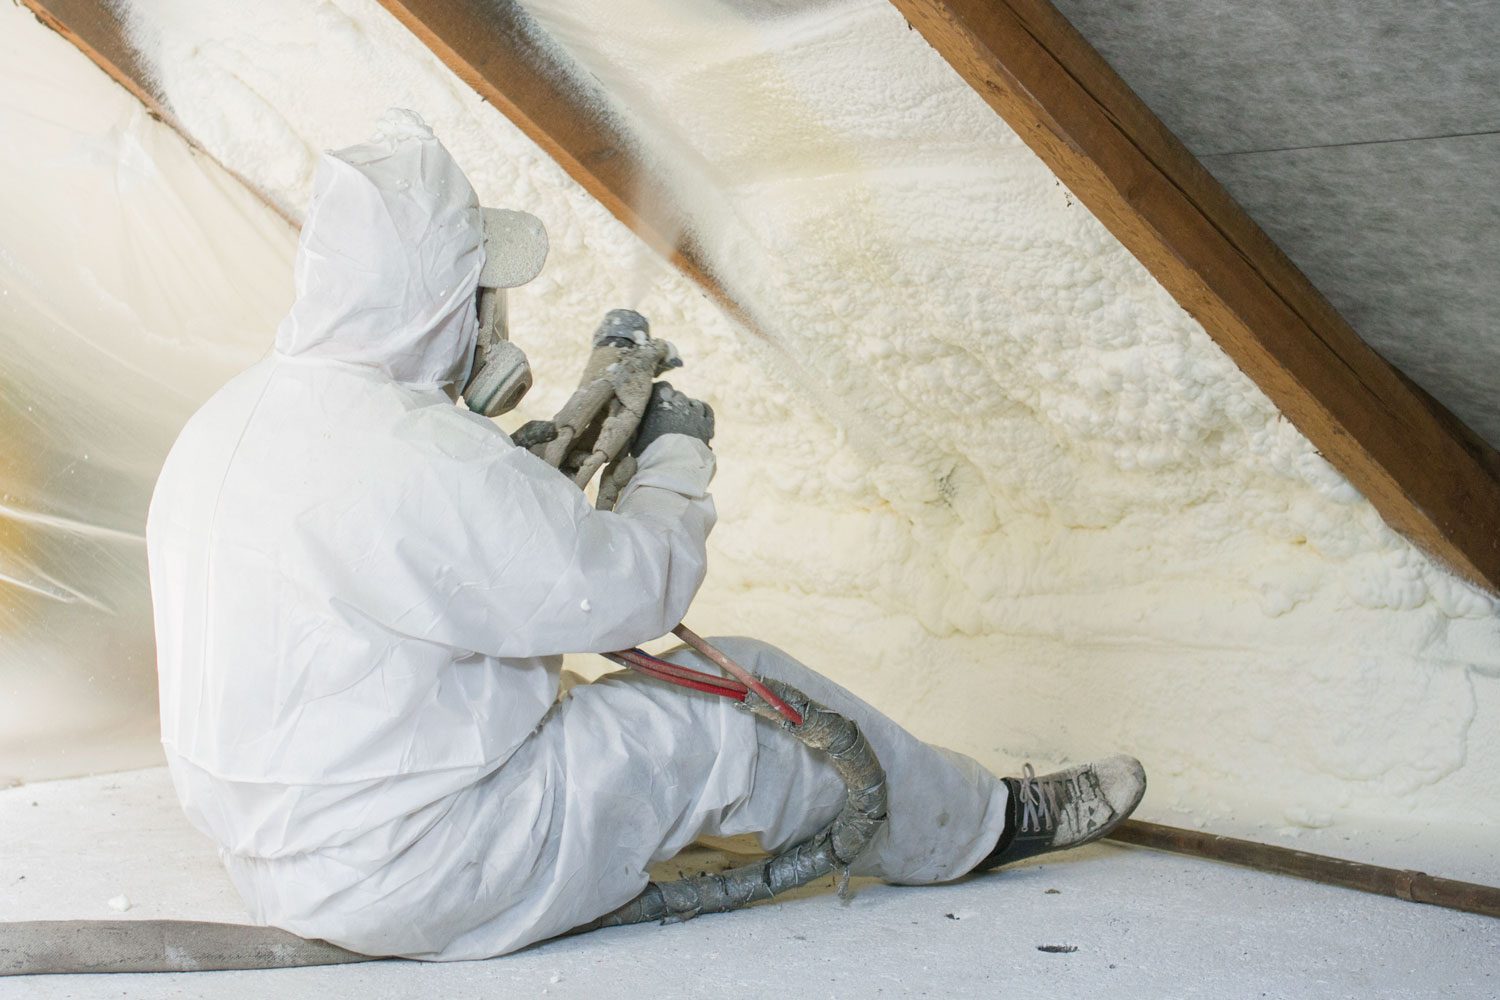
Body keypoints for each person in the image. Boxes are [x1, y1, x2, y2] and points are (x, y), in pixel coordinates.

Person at [147, 110, 1145, 961]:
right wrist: (673, 464)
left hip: (274, 856)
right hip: (422, 866)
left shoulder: (230, 422)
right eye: (477, 291)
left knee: (585, 706)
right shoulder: (422, 458)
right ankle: (983, 826)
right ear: (440, 300)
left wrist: (524, 472)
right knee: (742, 697)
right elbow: (630, 593)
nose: (488, 314)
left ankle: (966, 817)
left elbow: (412, 568)